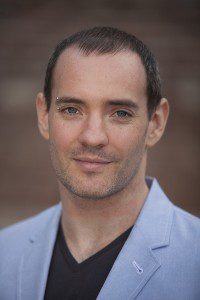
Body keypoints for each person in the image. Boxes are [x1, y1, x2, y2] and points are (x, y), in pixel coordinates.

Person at [0, 27, 199, 300]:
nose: (93, 137)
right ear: (44, 116)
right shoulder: (5, 252)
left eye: (120, 113)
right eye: (71, 110)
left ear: (155, 123)